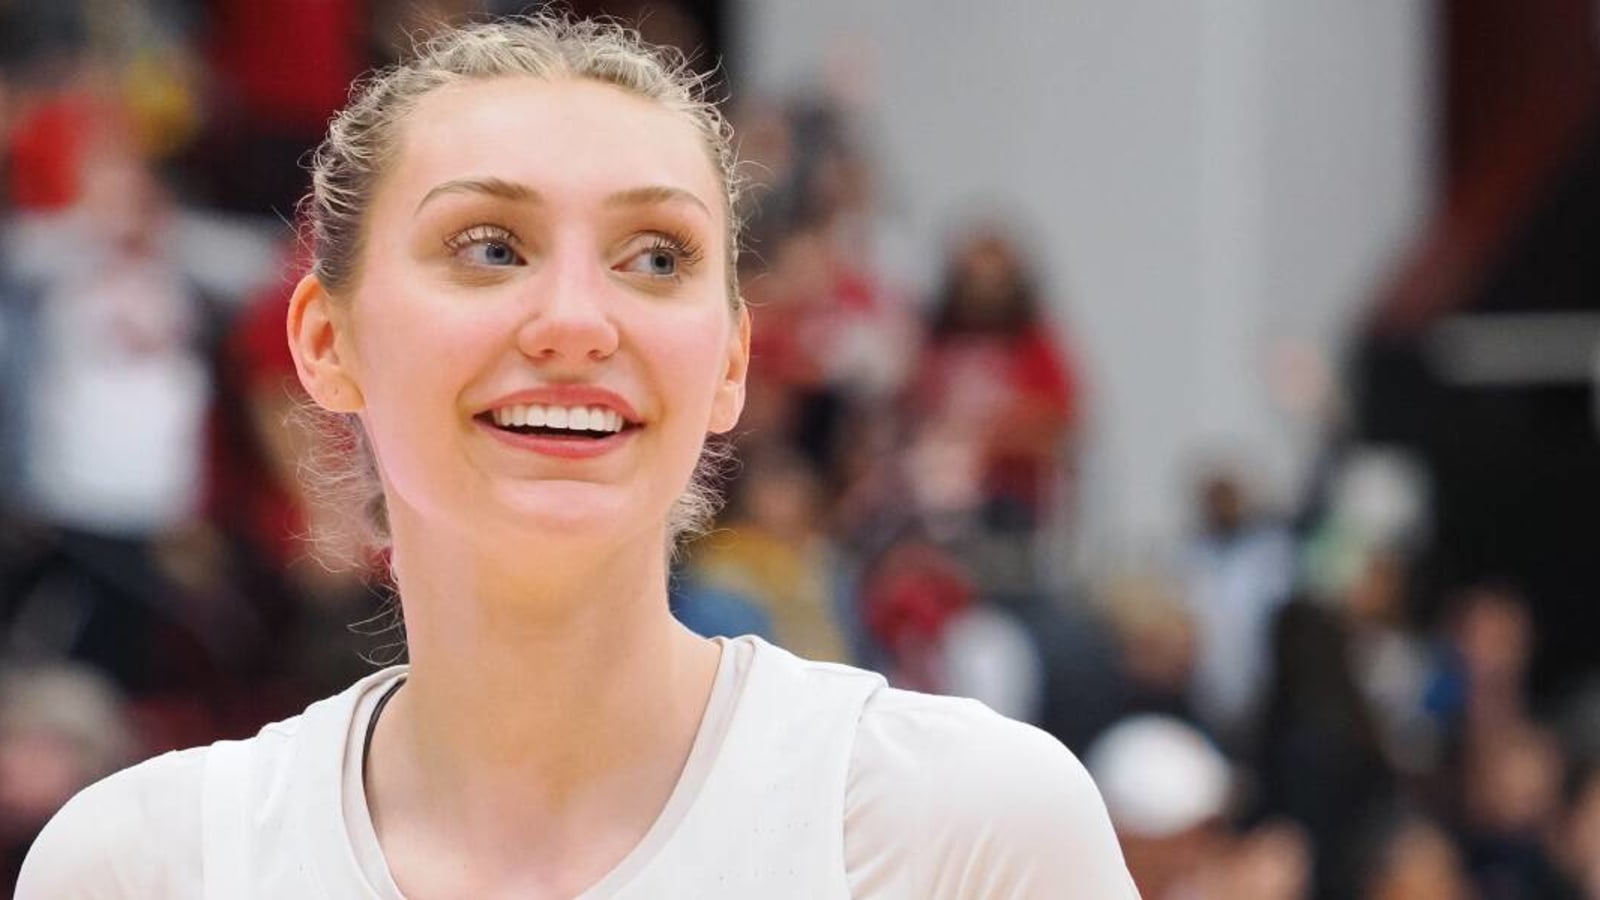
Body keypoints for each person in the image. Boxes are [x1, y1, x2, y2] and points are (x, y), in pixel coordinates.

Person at [17, 16, 1138, 899]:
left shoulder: (966, 831)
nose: (575, 320)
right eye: (489, 247)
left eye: (656, 257)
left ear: (731, 362)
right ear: (325, 340)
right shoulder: (141, 868)